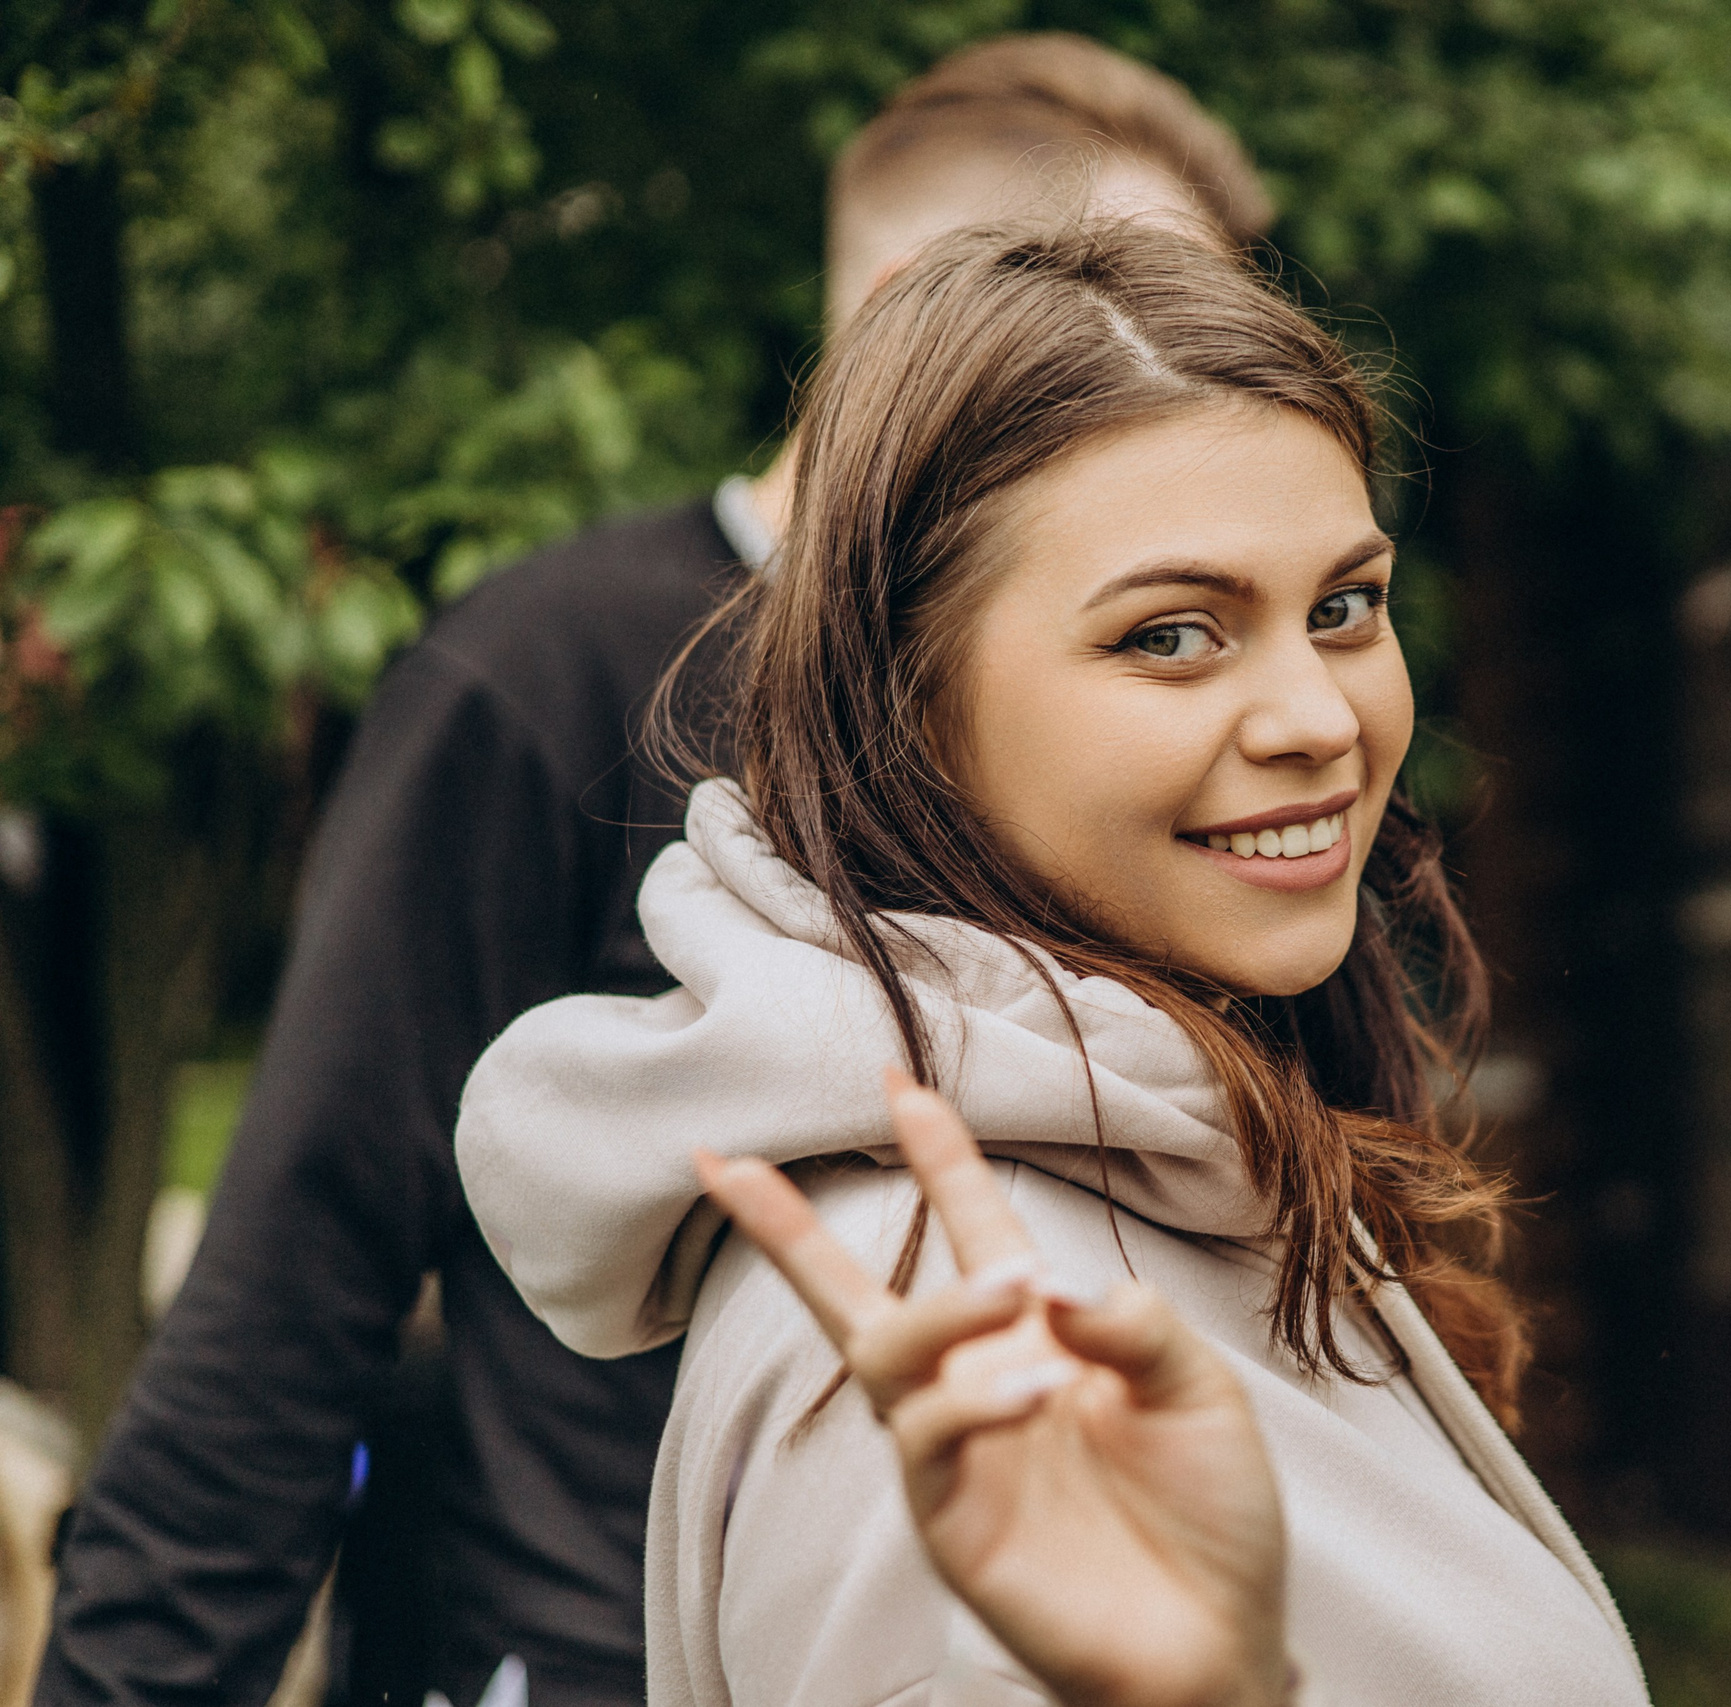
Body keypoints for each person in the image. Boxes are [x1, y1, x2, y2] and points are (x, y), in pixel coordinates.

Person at [38, 39, 1270, 1707]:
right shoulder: (550, 670)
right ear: (914, 313)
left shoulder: (1199, 728)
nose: (1198, 381)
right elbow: (299, 1272)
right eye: (1121, 313)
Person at [456, 219, 1650, 1705]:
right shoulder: (949, 1322)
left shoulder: (1171, 1135)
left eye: (1344, 606)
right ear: (909, 704)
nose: (1319, 718)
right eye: (1170, 636)